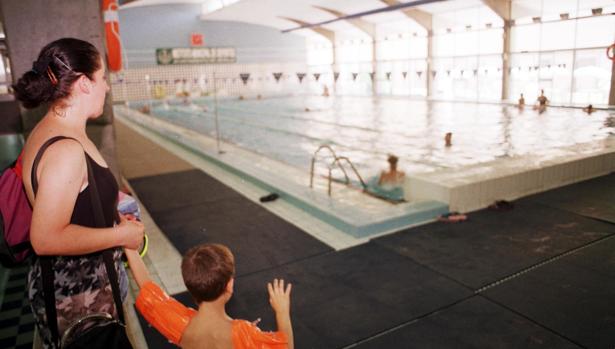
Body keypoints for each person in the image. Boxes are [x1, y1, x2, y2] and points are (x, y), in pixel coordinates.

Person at [12, 38, 145, 347]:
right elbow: (45, 239)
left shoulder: (53, 131)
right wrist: (122, 236)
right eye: (102, 78)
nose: (107, 88)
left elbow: (70, 201)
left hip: (79, 297)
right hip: (80, 307)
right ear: (84, 83)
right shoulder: (66, 149)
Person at [125, 243, 294, 349]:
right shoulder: (243, 333)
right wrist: (282, 312)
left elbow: (148, 289)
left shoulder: (180, 325)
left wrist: (128, 246)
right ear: (230, 284)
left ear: (190, 286)